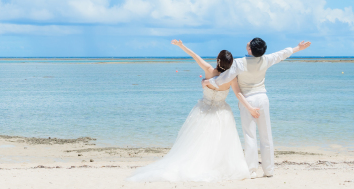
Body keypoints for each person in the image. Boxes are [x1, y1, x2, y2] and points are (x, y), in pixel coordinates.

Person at [127, 40, 259, 182]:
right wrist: (250, 108)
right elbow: (239, 94)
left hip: (203, 110)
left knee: (198, 142)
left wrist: (181, 45)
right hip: (222, 113)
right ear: (230, 64)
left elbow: (194, 56)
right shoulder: (232, 78)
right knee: (219, 143)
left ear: (217, 60)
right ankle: (215, 165)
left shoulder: (209, 70)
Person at [203, 38, 311, 178]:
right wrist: (298, 48)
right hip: (262, 99)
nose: (248, 42)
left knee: (250, 136)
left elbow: (224, 78)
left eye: (249, 43)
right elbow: (282, 54)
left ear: (249, 49)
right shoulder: (265, 59)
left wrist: (209, 81)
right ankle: (269, 170)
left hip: (248, 100)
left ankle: (252, 170)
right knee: (266, 136)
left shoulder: (239, 62)